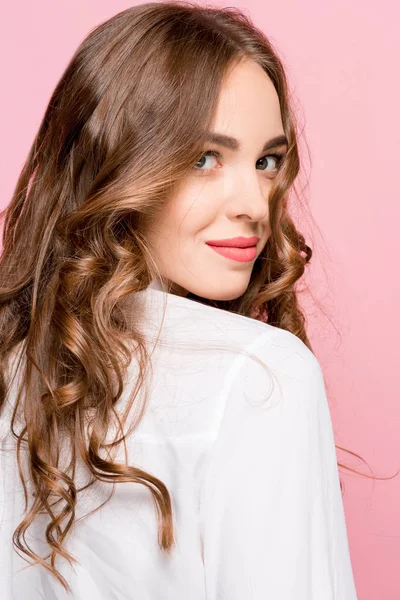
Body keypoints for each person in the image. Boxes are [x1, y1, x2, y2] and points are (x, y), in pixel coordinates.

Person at [0, 2, 358, 598]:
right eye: (204, 158)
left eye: (267, 160)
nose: (254, 202)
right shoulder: (259, 378)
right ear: (115, 167)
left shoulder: (16, 364)